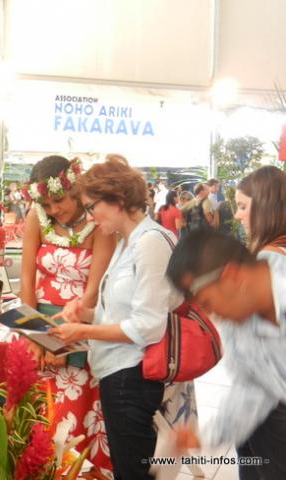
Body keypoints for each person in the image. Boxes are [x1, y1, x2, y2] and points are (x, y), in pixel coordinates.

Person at [50, 154, 184, 479]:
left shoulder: (150, 243)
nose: (90, 217)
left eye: (92, 207)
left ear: (118, 199)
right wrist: (86, 314)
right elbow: (119, 311)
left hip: (132, 376)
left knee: (132, 471)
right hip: (116, 372)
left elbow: (147, 326)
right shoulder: (127, 243)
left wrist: (83, 331)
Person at [20, 155, 116, 476]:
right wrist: (37, 337)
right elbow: (26, 280)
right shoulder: (37, 217)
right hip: (40, 330)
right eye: (46, 205)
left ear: (74, 187)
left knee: (75, 417)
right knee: (41, 419)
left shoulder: (99, 223)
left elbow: (94, 290)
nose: (53, 210)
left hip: (80, 330)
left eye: (58, 200)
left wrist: (61, 339)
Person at [167, 230, 286, 480]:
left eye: (207, 303)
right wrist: (207, 435)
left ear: (232, 276)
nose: (211, 316)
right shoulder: (238, 327)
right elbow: (253, 387)